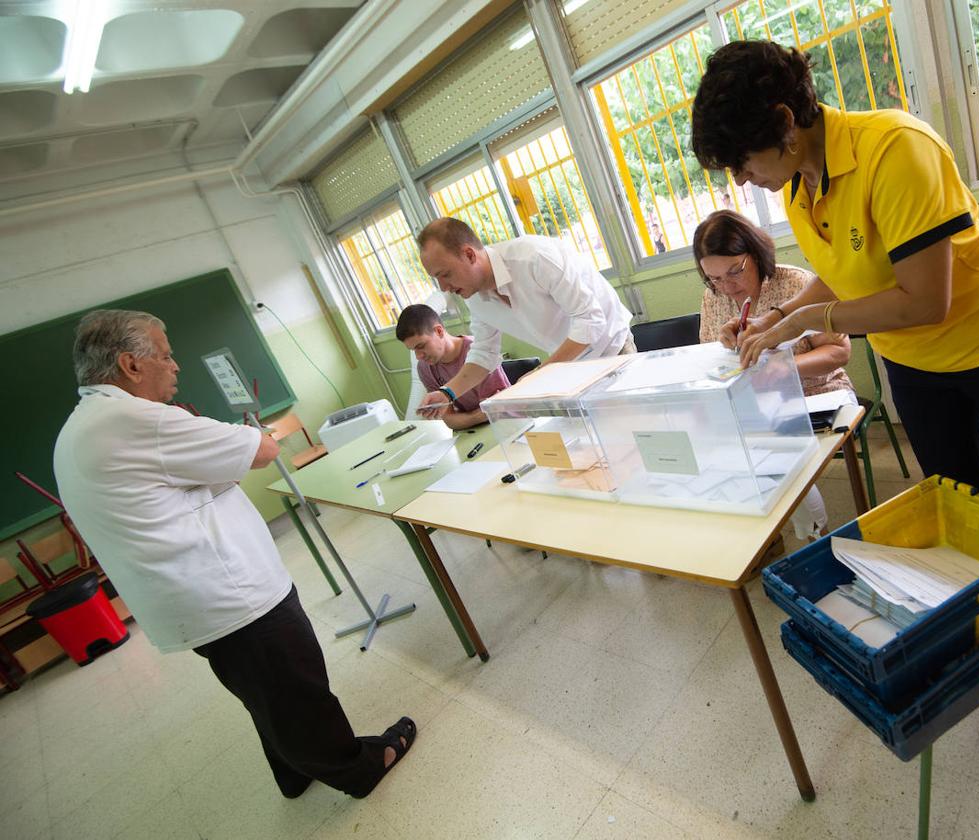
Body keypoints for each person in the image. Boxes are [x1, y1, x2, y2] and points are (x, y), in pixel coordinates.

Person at [690, 40, 979, 738]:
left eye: (745, 159)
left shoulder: (893, 148)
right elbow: (843, 272)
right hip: (919, 361)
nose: (745, 178)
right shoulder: (799, 185)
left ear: (787, 122)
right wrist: (778, 322)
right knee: (958, 497)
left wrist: (813, 319)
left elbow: (924, 299)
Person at [53, 309, 415, 799]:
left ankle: (293, 771)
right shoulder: (135, 420)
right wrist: (246, 439)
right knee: (296, 685)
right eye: (164, 355)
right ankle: (358, 768)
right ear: (130, 365)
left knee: (265, 693)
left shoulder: (83, 426)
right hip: (232, 595)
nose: (176, 365)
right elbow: (262, 450)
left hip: (193, 600)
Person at [694, 209, 854, 541]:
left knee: (775, 458)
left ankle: (816, 537)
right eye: (715, 278)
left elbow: (840, 352)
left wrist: (787, 367)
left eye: (734, 271)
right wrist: (725, 345)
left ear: (756, 253)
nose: (727, 287)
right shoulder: (713, 299)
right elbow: (711, 360)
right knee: (715, 450)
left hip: (819, 394)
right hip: (756, 404)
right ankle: (764, 541)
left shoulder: (795, 284)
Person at [416, 217, 635, 419]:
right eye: (437, 279)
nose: (444, 287)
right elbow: (484, 352)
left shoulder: (534, 258)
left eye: (445, 274)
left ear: (470, 255)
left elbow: (590, 320)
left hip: (613, 351)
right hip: (570, 369)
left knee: (636, 430)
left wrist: (540, 375)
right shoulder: (473, 296)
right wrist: (447, 393)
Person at [396, 303, 510, 429]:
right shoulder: (425, 368)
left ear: (439, 331)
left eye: (421, 346)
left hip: (504, 422)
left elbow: (498, 410)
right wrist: (477, 416)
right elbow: (451, 421)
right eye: (413, 350)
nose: (418, 356)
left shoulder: (480, 355)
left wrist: (469, 417)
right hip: (472, 430)